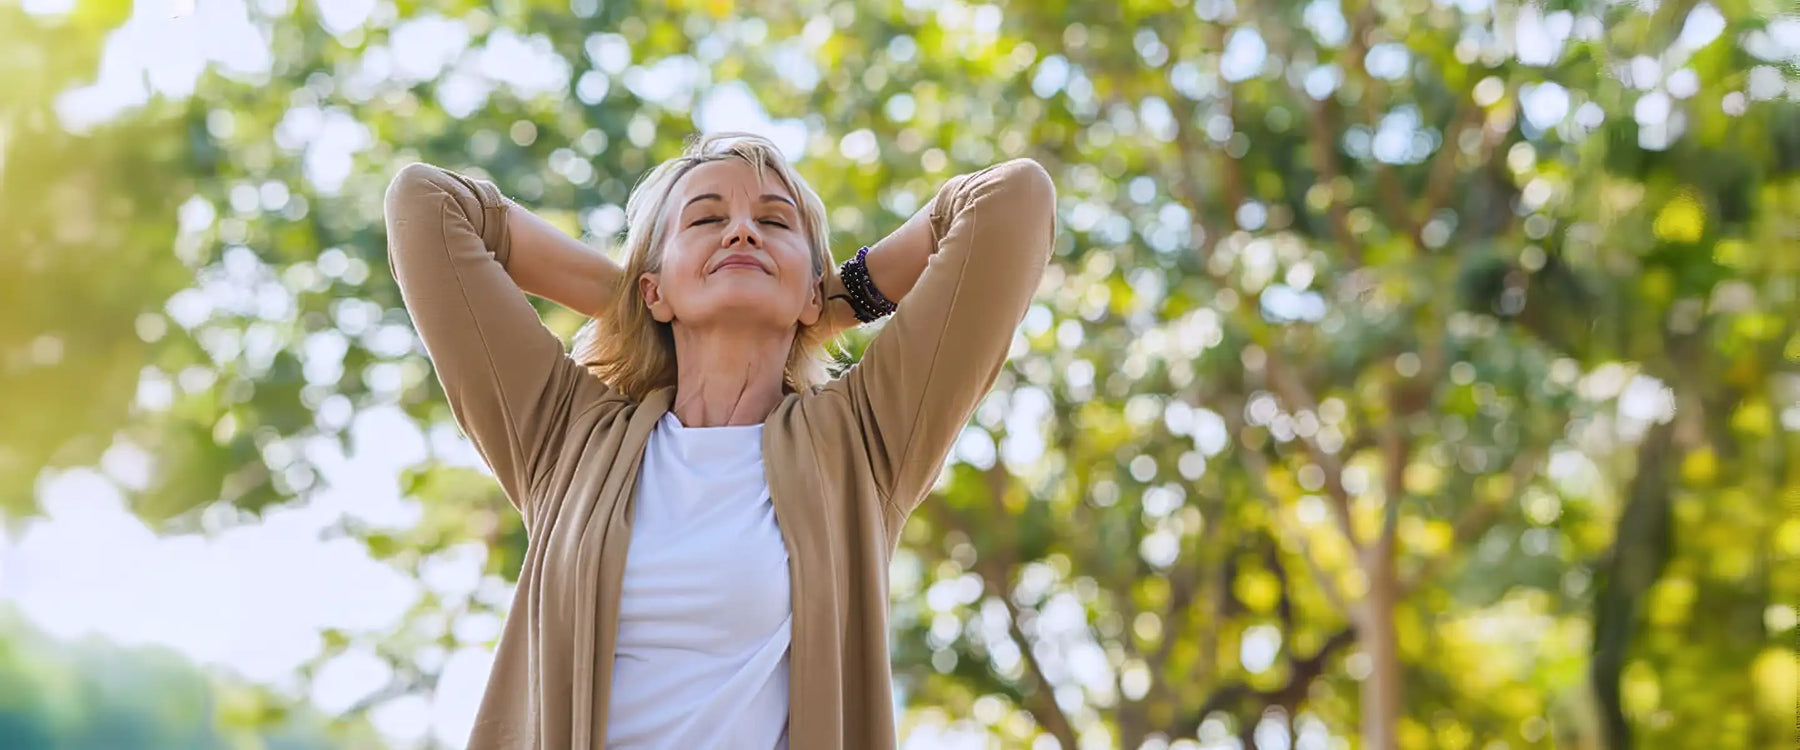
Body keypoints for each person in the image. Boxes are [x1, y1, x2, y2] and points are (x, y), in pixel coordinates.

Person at [382, 131, 1056, 749]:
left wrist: (828, 302)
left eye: (773, 222)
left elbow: (1010, 201)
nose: (741, 231)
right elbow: (427, 205)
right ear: (654, 287)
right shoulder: (567, 435)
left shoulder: (861, 439)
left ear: (811, 293)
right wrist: (638, 304)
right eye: (705, 220)